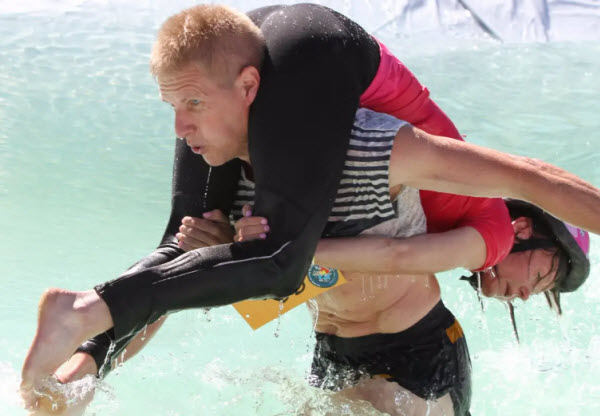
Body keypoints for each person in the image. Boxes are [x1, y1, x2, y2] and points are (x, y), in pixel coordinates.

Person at [21, 3, 600, 413]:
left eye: (193, 104)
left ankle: (85, 326)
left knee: (268, 259)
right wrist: (88, 369)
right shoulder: (238, 149)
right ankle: (82, 366)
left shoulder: (376, 153)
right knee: (183, 244)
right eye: (544, 273)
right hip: (333, 351)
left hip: (414, 355)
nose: (527, 291)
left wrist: (252, 254)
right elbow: (178, 274)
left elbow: (392, 253)